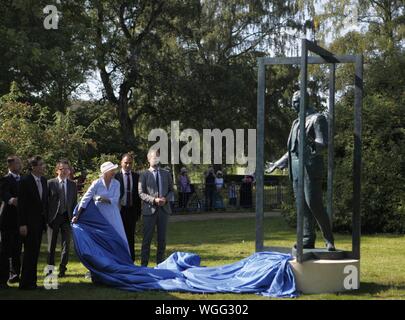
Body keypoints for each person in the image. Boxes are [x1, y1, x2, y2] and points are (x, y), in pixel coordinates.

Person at [268, 91, 335, 251]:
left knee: (314, 203)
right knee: (302, 206)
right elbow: (291, 150)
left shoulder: (317, 118)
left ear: (305, 101)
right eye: (293, 101)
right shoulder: (296, 122)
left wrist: (312, 144)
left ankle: (329, 239)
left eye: (296, 101)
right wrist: (277, 163)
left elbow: (322, 142)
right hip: (296, 167)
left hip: (310, 165)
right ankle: (307, 239)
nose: (293, 105)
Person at [72, 162, 128, 249]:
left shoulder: (116, 183)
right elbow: (85, 199)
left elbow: (116, 199)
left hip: (113, 214)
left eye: (113, 170)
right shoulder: (97, 183)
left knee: (118, 235)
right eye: (111, 170)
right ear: (105, 172)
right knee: (102, 238)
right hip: (100, 215)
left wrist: (102, 199)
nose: (113, 172)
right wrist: (77, 215)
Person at [138, 149, 174, 267]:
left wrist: (166, 199)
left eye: (158, 157)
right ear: (149, 159)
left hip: (164, 210)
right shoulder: (144, 174)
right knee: (147, 239)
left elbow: (171, 191)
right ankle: (144, 265)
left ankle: (160, 264)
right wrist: (154, 200)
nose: (156, 159)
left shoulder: (166, 173)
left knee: (162, 239)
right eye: (154, 157)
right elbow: (141, 193)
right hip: (149, 210)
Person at [18, 156, 48, 290]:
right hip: (28, 223)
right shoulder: (25, 181)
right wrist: (22, 224)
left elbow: (44, 203)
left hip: (40, 222)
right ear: (33, 167)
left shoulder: (43, 180)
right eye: (41, 165)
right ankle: (25, 283)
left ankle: (32, 282)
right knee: (29, 253)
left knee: (35, 252)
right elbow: (21, 205)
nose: (44, 167)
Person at [46, 160, 77, 277]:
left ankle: (63, 269)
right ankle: (50, 271)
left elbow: (74, 202)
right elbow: (46, 202)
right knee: (51, 246)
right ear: (56, 170)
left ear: (69, 171)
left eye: (66, 169)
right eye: (61, 169)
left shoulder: (72, 185)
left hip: (67, 217)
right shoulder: (50, 183)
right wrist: (47, 218)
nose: (64, 171)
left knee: (66, 245)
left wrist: (74, 216)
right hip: (53, 218)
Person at [115, 153, 142, 262]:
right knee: (119, 237)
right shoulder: (116, 176)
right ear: (121, 163)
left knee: (130, 237)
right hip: (119, 210)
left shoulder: (136, 176)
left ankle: (131, 260)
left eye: (130, 163)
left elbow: (138, 195)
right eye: (126, 163)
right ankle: (119, 259)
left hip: (132, 210)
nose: (128, 165)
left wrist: (138, 213)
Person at [0, 156, 22, 284]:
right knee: (5, 249)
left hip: (20, 219)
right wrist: (11, 200)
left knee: (17, 249)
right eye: (17, 163)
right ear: (11, 166)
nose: (20, 165)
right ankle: (2, 279)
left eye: (20, 163)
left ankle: (15, 274)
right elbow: (4, 193)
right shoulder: (5, 179)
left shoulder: (24, 179)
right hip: (7, 219)